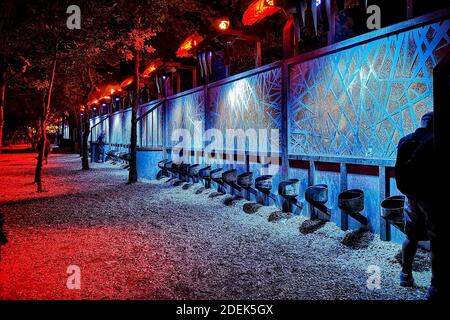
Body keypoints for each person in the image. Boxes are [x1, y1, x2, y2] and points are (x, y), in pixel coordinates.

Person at [395, 111, 442, 300]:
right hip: (432, 197)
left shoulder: (405, 140)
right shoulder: (435, 141)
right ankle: (435, 287)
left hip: (410, 195)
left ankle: (405, 275)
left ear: (421, 122)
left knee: (410, 236)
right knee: (437, 242)